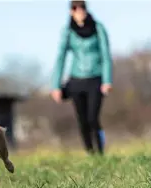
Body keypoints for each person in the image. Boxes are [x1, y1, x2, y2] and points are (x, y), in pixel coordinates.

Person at [51, 0, 113, 155]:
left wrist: (107, 80)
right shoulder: (68, 31)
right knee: (82, 120)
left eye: (82, 7)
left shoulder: (98, 28)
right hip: (76, 80)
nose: (79, 11)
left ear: (86, 9)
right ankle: (89, 152)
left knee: (93, 118)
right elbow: (61, 57)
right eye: (75, 8)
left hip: (95, 79)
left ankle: (100, 151)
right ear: (71, 11)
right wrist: (55, 85)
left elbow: (106, 56)